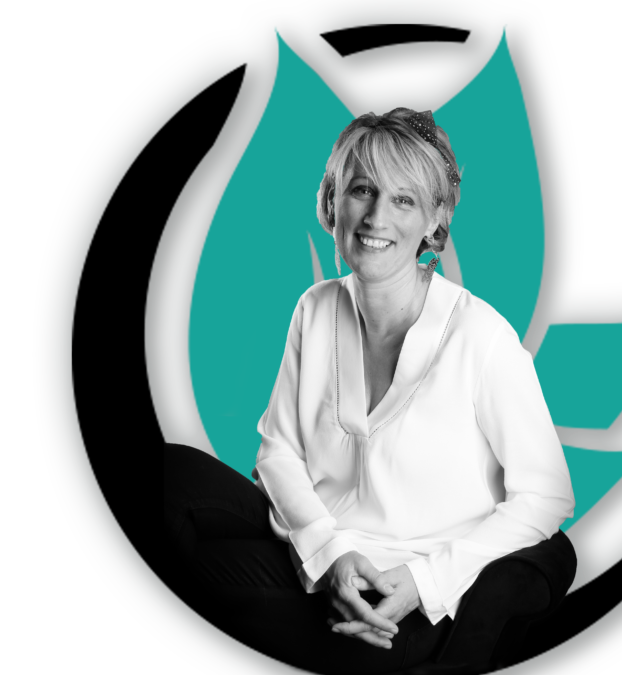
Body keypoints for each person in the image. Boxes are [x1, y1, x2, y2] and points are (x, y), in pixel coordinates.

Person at [164, 108, 575, 675]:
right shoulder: (315, 308)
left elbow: (546, 497)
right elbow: (278, 454)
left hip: (405, 600)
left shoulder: (481, 337)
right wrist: (329, 553)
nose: (377, 217)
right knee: (166, 474)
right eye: (363, 190)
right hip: (319, 553)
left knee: (195, 578)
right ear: (333, 202)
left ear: (435, 220)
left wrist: (426, 582)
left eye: (404, 200)